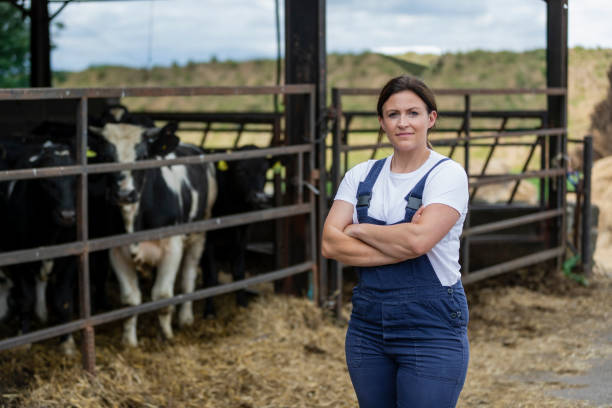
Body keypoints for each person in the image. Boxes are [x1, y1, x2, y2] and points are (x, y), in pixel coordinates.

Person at [321, 75, 469, 408]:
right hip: (368, 323)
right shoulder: (360, 175)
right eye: (393, 114)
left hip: (431, 323)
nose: (403, 122)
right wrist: (402, 240)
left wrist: (358, 230)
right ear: (382, 122)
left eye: (413, 113)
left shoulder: (447, 175)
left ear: (431, 119)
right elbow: (330, 244)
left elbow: (418, 242)